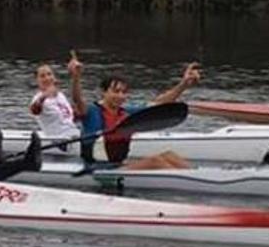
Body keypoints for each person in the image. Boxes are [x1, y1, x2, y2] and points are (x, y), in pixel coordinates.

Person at [69, 54, 201, 170]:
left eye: (124, 92)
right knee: (156, 162)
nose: (120, 96)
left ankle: (199, 175)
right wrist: (76, 77)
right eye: (116, 91)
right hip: (96, 169)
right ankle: (195, 183)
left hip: (118, 166)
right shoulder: (92, 111)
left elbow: (159, 104)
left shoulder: (126, 112)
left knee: (170, 156)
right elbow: (77, 99)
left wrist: (183, 84)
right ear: (104, 92)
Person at [29, 59, 81, 141]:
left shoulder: (61, 96)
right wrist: (44, 96)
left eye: (49, 74)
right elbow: (34, 110)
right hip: (58, 140)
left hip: (73, 134)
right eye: (42, 76)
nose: (47, 78)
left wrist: (75, 76)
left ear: (54, 77)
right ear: (37, 81)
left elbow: (72, 117)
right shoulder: (38, 98)